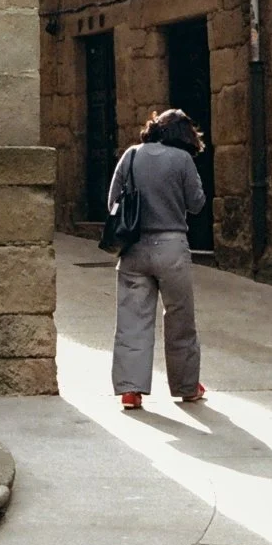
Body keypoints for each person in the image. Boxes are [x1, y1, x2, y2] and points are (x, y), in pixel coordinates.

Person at [108, 108, 207, 410]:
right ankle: (187, 387)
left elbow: (112, 200)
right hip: (172, 248)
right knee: (180, 320)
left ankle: (130, 389)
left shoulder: (132, 155)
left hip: (134, 249)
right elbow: (197, 204)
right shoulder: (183, 160)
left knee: (132, 320)